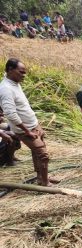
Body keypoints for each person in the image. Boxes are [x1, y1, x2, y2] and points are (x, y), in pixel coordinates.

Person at [0, 58, 58, 186]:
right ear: (10, 70)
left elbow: (23, 107)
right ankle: (45, 182)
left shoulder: (15, 83)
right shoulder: (5, 89)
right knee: (43, 154)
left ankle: (41, 177)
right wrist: (27, 131)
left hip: (33, 125)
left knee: (37, 153)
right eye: (21, 72)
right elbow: (11, 114)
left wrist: (36, 124)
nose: (23, 75)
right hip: (24, 129)